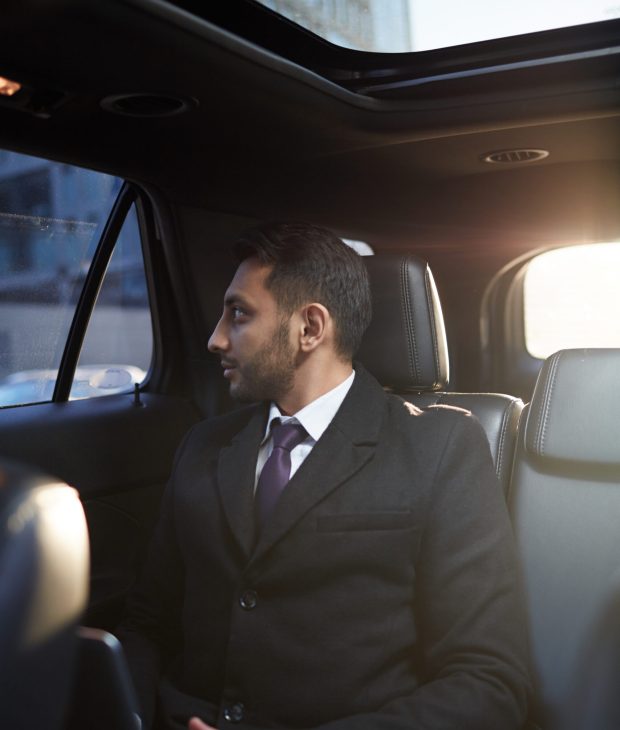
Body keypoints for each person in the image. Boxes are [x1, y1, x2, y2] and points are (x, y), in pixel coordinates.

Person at [119, 222, 531, 730]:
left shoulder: (441, 449)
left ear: (310, 328)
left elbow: (489, 682)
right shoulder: (202, 447)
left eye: (239, 314)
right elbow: (146, 623)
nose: (215, 338)